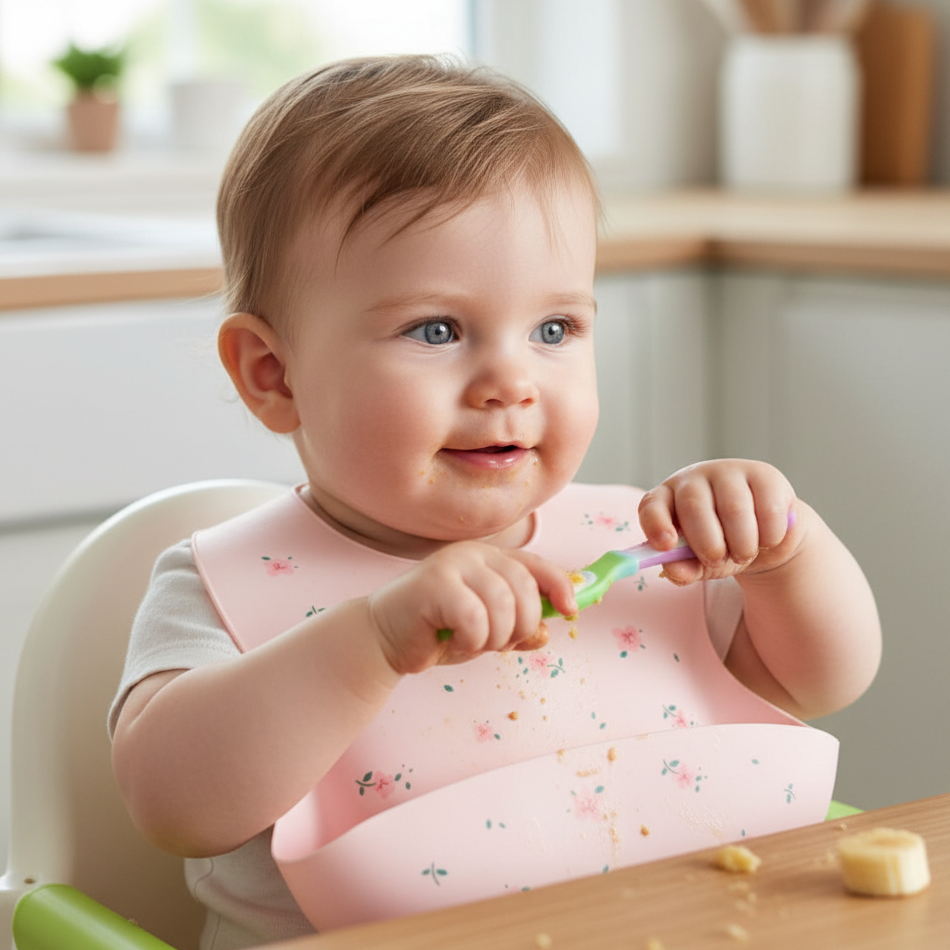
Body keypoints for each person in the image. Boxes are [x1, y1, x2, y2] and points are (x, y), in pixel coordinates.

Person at [110, 54, 881, 950]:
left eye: (555, 328)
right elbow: (176, 806)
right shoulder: (218, 585)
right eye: (436, 330)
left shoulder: (637, 542)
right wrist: (372, 642)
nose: (511, 381)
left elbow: (822, 679)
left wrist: (785, 552)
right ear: (274, 375)